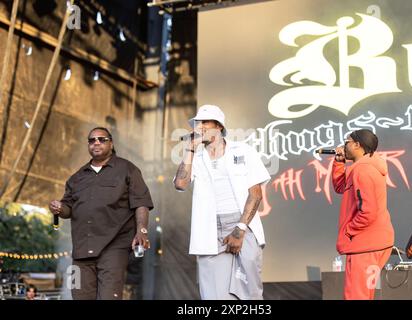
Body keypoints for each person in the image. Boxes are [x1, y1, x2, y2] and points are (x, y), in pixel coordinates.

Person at [173, 105, 271, 300]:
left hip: (242, 223)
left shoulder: (244, 151)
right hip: (209, 229)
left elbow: (256, 194)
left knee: (249, 292)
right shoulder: (195, 157)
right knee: (214, 295)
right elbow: (180, 184)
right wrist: (190, 149)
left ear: (218, 126)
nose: (199, 127)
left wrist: (240, 229)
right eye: (197, 123)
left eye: (204, 122)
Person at [48, 127, 154, 300]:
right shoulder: (77, 177)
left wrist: (141, 230)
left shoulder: (128, 169)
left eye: (101, 139)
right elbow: (68, 208)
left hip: (114, 245)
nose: (96, 142)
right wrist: (59, 208)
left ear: (111, 143)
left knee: (109, 296)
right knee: (80, 296)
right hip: (82, 250)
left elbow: (141, 202)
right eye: (92, 140)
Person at [332, 129, 394, 300]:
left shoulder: (363, 170)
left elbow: (368, 212)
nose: (344, 146)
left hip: (364, 245)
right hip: (372, 243)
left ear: (357, 145)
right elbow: (340, 188)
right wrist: (338, 163)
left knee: (356, 296)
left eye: (347, 142)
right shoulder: (363, 167)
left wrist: (348, 231)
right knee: (364, 295)